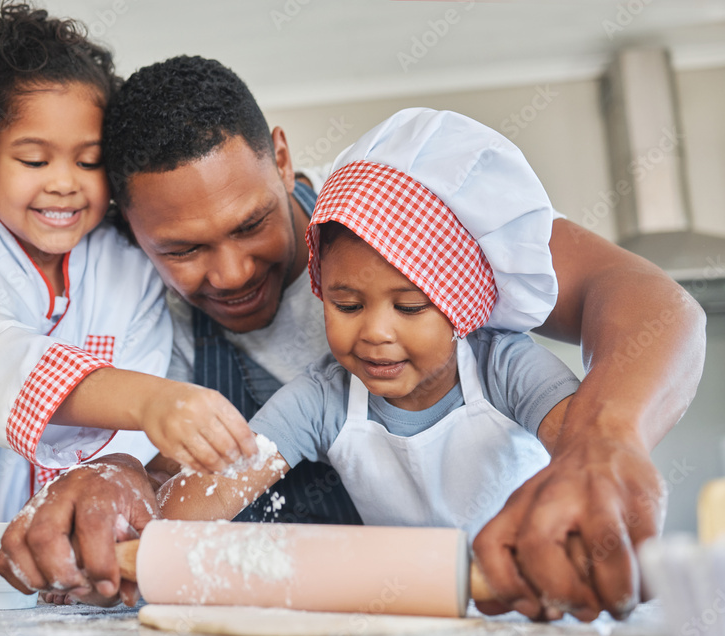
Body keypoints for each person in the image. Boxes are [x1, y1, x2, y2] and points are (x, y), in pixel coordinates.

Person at [0, 55, 706, 621]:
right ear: (131, 226)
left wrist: (600, 441)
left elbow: (648, 304)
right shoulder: (146, 319)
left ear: (281, 158)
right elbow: (197, 481)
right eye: (181, 250)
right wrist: (123, 482)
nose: (233, 271)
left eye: (250, 225)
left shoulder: (412, 214)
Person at [0, 9, 256, 572]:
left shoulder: (130, 270)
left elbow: (137, 407)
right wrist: (148, 401)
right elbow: (0, 366)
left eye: (89, 161)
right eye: (35, 159)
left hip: (89, 538)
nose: (63, 182)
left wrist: (119, 480)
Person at [157, 108, 581, 549]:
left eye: (410, 307)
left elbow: (586, 452)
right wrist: (144, 526)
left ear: (462, 305)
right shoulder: (325, 398)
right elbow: (220, 487)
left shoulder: (505, 367)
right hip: (410, 603)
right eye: (348, 305)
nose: (375, 332)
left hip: (537, 592)